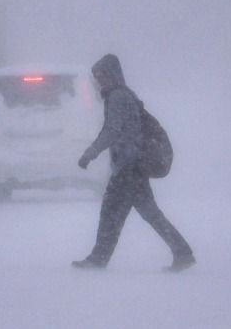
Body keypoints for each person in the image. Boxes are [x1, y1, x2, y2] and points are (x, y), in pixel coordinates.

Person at [73, 54, 195, 272]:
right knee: (149, 213)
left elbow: (112, 130)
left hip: (128, 167)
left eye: (101, 75)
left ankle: (98, 258)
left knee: (111, 211)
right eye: (96, 77)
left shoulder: (117, 97)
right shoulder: (124, 95)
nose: (98, 81)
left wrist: (90, 153)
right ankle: (182, 252)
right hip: (135, 165)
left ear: (111, 75)